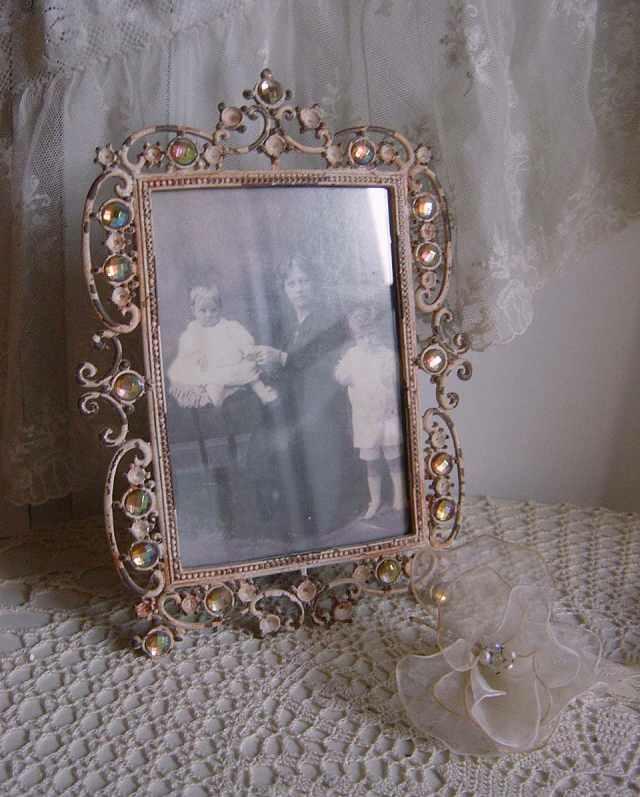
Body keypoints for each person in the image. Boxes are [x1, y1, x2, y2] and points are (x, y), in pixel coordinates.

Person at [250, 258, 355, 538]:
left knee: (293, 438)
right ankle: (283, 517)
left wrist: (282, 358)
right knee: (261, 442)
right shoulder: (289, 327)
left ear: (314, 284)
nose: (299, 288)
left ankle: (315, 520)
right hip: (295, 400)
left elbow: (329, 366)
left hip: (323, 402)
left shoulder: (328, 320)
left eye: (304, 281)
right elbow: (288, 370)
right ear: (284, 289)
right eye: (292, 283)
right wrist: (267, 367)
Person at [334, 303, 406, 519]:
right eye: (362, 336)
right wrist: (345, 375)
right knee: (371, 461)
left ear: (378, 331)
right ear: (355, 336)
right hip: (365, 417)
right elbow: (341, 376)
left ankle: (399, 495)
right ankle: (374, 500)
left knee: (393, 457)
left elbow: (392, 379)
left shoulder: (386, 355)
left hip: (386, 415)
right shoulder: (352, 355)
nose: (368, 339)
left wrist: (385, 381)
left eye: (371, 333)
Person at [168, 284, 278, 409]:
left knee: (251, 375)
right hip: (209, 369)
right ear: (193, 310)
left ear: (220, 309)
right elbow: (187, 349)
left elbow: (242, 339)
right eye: (203, 311)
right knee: (213, 392)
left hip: (232, 365)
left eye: (213, 310)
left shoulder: (229, 326)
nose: (209, 315)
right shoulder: (194, 329)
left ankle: (263, 393)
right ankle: (217, 401)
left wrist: (247, 350)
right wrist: (196, 357)